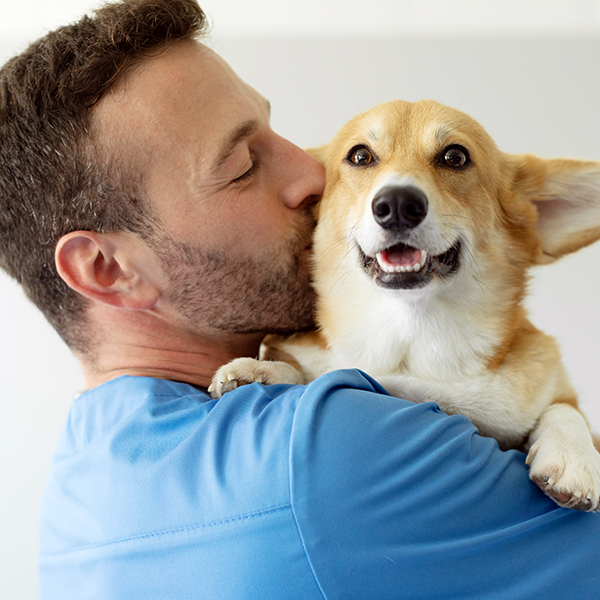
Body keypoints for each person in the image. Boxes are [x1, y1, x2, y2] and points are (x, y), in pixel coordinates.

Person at [1, 1, 599, 598]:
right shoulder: (328, 448)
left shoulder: (76, 487)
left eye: (273, 130)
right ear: (108, 268)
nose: (316, 177)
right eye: (241, 165)